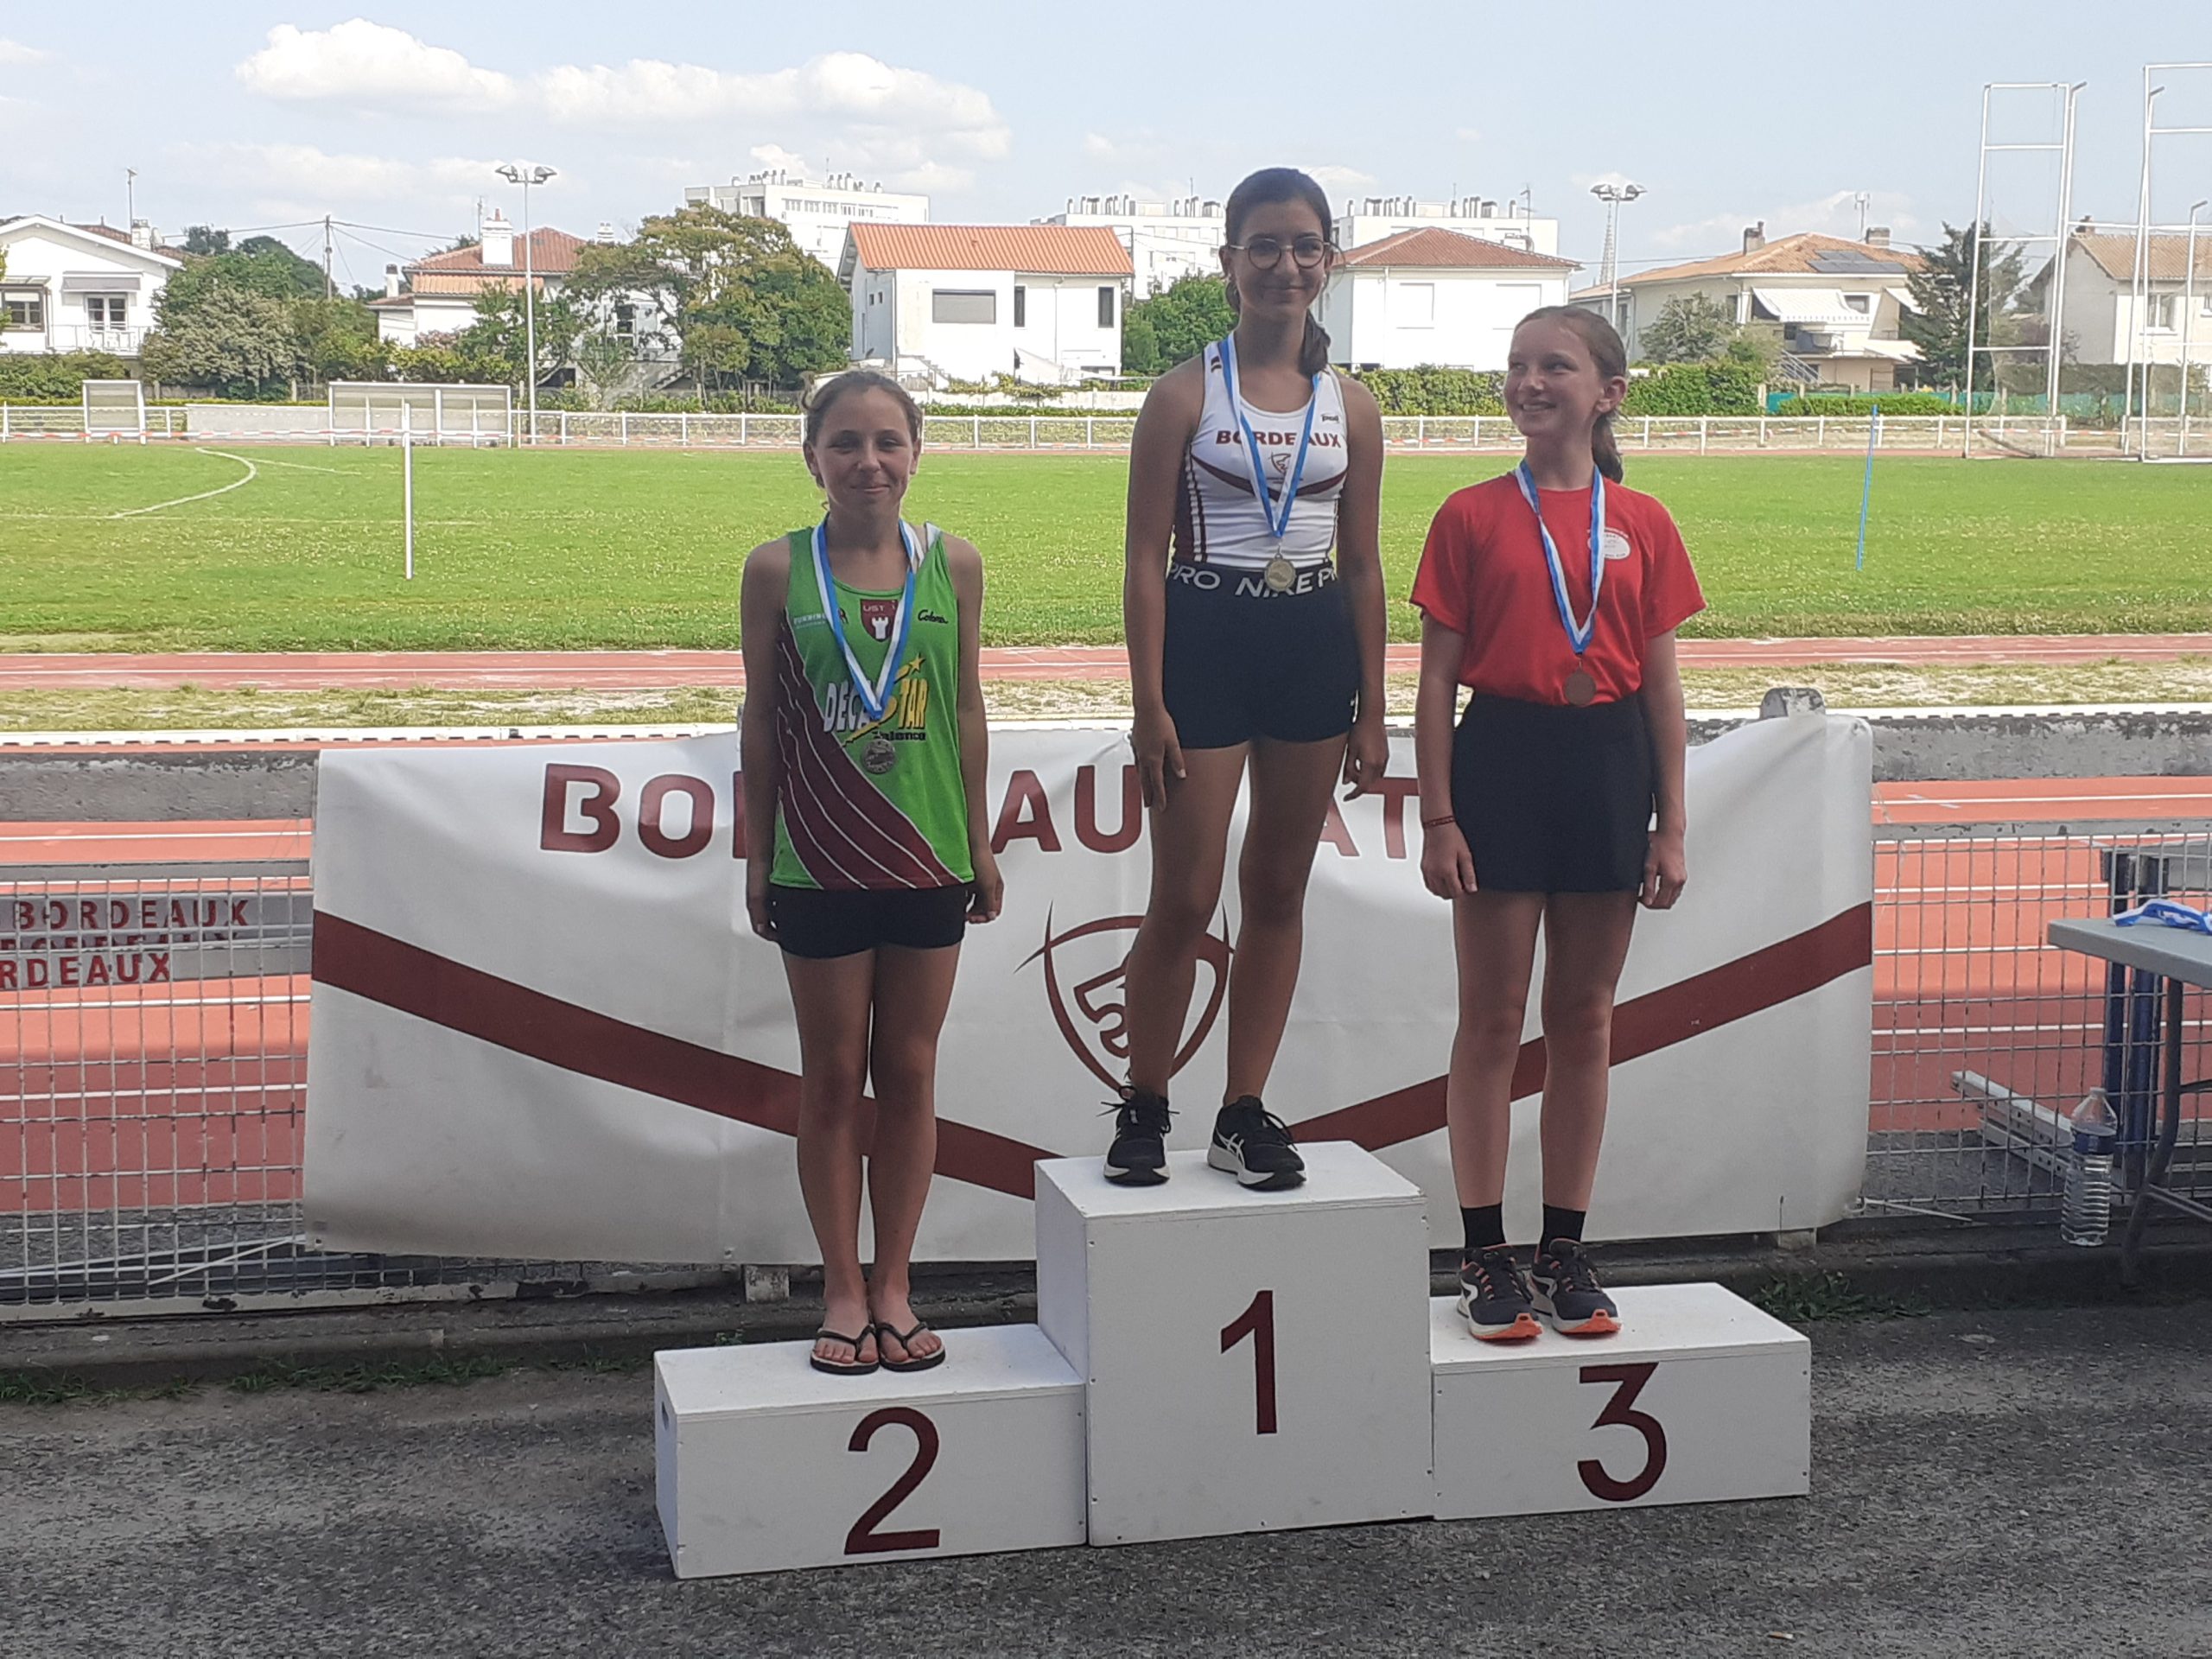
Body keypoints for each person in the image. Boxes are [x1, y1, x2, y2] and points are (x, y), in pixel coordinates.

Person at [1410, 307, 1703, 1339]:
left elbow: (1662, 689)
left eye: (1554, 366)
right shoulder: (1469, 514)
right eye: (1517, 365)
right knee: (1492, 1019)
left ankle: (1563, 1249)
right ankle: (1484, 1254)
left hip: (1607, 766)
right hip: (1502, 759)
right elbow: (1434, 683)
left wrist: (1670, 824)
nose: (1529, 382)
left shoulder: (1646, 521)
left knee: (1584, 1019)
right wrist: (1438, 815)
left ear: (1607, 393)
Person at [1108, 167, 1390, 1191]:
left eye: (1304, 246)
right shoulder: (1182, 394)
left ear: (1328, 261)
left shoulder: (1351, 406)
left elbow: (1362, 565)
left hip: (1309, 642)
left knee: (1276, 888)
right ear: (1228, 261)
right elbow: (1143, 559)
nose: (1284, 265)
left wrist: (1375, 705)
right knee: (1183, 896)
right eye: (1263, 246)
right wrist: (1148, 701)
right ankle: (1144, 1103)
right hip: (1206, 636)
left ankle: (1242, 1110)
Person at [738, 370, 1004, 1376]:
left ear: (916, 453)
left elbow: (966, 706)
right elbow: (761, 720)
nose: (868, 462)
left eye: (888, 441)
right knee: (832, 1077)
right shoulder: (776, 569)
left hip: (927, 858)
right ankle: (841, 1290)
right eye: (845, 443)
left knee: (912, 1073)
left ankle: (894, 1283)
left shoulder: (954, 563)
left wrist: (978, 840)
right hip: (819, 862)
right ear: (811, 458)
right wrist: (758, 851)